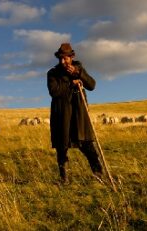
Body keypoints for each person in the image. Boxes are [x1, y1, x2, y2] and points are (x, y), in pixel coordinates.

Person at [47, 43, 103, 184]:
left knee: (88, 145)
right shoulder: (53, 73)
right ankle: (64, 178)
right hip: (62, 115)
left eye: (65, 58)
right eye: (60, 59)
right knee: (62, 147)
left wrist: (78, 74)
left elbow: (92, 85)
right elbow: (54, 92)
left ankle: (99, 175)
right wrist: (71, 83)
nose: (62, 61)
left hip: (79, 115)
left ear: (72, 57)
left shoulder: (79, 69)